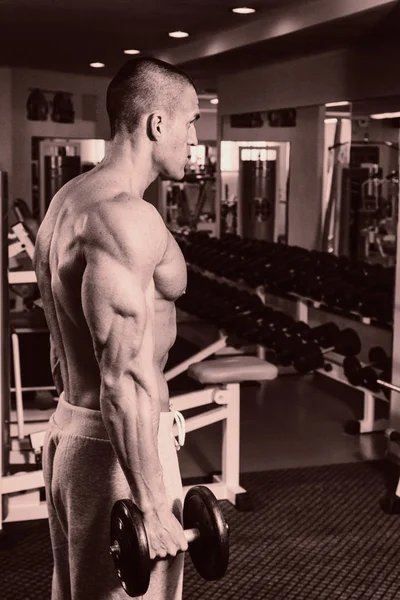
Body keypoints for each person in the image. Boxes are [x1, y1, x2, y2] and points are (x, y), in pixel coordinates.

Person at [33, 57, 200, 600]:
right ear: (157, 124)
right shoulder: (124, 218)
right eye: (190, 121)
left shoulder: (67, 203)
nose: (195, 137)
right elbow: (122, 374)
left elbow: (64, 352)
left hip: (72, 432)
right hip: (119, 454)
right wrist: (151, 501)